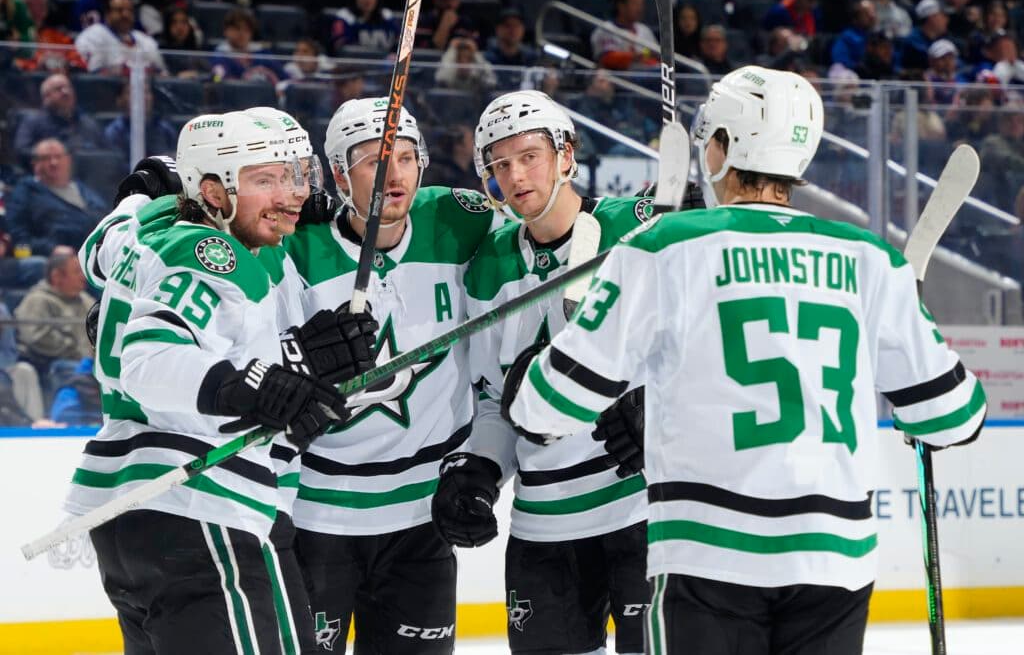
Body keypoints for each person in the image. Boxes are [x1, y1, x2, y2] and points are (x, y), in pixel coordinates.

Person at [503, 66, 987, 655]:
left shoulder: (663, 248)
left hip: (708, 557)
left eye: (708, 141)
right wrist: (916, 321)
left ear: (726, 146)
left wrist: (555, 345)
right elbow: (954, 418)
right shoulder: (873, 261)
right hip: (832, 559)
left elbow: (544, 407)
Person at [66, 110, 374, 653]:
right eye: (265, 180)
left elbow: (103, 246)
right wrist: (260, 383)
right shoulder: (217, 254)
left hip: (131, 523)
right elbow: (150, 358)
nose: (293, 195)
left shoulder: (146, 231)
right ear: (212, 190)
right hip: (202, 510)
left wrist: (290, 370)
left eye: (297, 174)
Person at [433, 89, 650, 655]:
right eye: (499, 164)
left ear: (567, 155)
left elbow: (703, 347)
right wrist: (479, 470)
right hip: (544, 525)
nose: (515, 174)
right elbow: (492, 400)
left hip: (641, 510)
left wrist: (663, 407)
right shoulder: (489, 268)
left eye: (529, 155)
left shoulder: (635, 231)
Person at [284, 97, 499, 654]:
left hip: (421, 516)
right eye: (373, 161)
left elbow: (552, 221)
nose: (393, 173)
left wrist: (655, 207)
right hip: (319, 515)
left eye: (406, 157)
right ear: (336, 173)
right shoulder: (296, 246)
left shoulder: (456, 219)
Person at [6, 138, 107, 256]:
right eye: (46, 158)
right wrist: (51, 249)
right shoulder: (25, 192)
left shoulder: (83, 189)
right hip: (57, 258)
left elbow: (104, 215)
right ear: (35, 163)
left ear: (68, 160)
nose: (54, 162)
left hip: (96, 251)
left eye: (58, 157)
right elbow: (19, 237)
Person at [14, 246, 94, 380]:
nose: (83, 277)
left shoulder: (86, 299)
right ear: (57, 276)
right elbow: (37, 337)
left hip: (88, 363)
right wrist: (74, 350)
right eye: (77, 272)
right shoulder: (37, 300)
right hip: (52, 366)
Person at [12, 74, 105, 167]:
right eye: (58, 89)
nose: (66, 92)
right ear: (46, 97)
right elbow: (22, 150)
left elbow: (110, 154)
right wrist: (52, 155)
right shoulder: (32, 122)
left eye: (68, 87)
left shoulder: (89, 123)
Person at [590, 0, 659, 71]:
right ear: (621, 6)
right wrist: (637, 56)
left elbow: (656, 55)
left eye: (641, 4)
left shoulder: (644, 29)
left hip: (646, 76)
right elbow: (607, 59)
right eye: (635, 3)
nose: (640, 8)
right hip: (618, 78)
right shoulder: (606, 29)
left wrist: (644, 56)